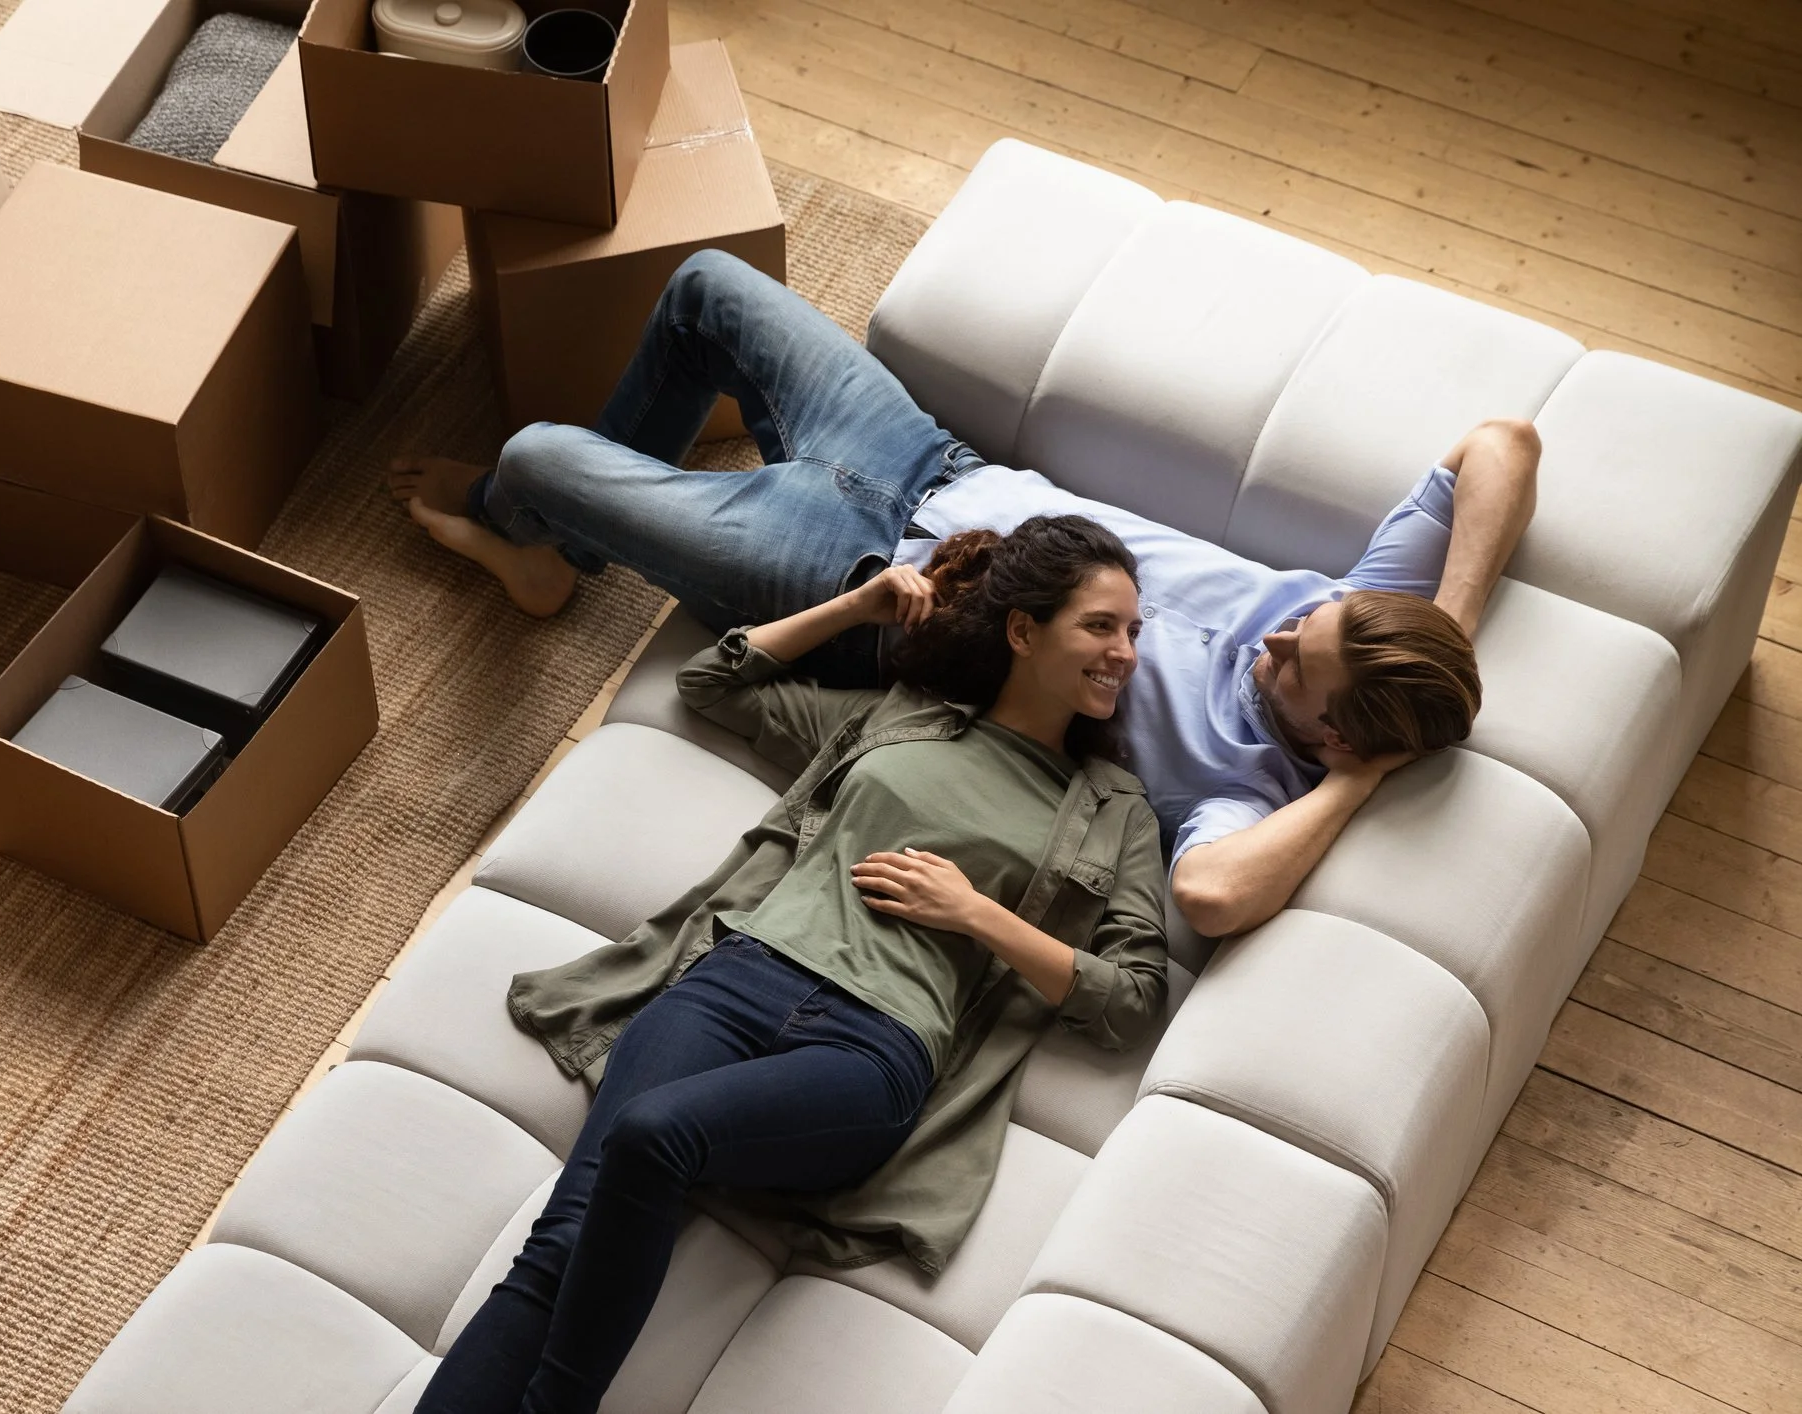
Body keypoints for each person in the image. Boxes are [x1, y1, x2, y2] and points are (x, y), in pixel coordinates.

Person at [391, 251, 1541, 940]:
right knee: (704, 290)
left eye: (1300, 665)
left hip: (864, 586)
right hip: (936, 465)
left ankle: (532, 540)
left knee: (538, 459)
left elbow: (1214, 898)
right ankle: (566, 548)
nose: (1283, 630)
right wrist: (1451, 625)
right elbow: (1504, 444)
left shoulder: (1246, 788)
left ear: (1330, 735)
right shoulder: (1365, 618)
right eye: (1311, 618)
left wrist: (1353, 784)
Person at [415, 516, 1170, 1414]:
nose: (1123, 653)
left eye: (1132, 632)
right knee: (563, 1236)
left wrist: (978, 916)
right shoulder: (902, 720)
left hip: (873, 1048)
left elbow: (1131, 999)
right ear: (1022, 631)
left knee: (655, 1136)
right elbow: (714, 683)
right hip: (737, 979)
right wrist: (856, 605)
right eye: (1100, 626)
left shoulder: (1114, 809)